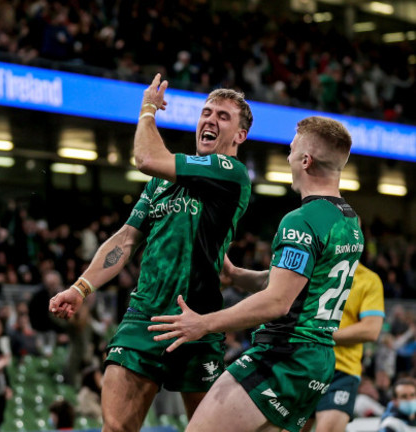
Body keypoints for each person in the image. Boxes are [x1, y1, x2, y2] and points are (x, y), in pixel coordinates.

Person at [50, 73, 254, 431]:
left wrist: (147, 110)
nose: (210, 120)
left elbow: (145, 155)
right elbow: (125, 241)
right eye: (206, 112)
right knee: (115, 428)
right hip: (143, 317)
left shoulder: (230, 172)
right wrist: (80, 287)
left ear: (240, 135)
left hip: (197, 322)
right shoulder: (163, 183)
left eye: (223, 116)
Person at [149, 116, 362, 432]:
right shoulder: (349, 221)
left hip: (283, 356)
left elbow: (277, 302)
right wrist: (235, 274)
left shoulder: (301, 220)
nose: (288, 157)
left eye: (291, 151)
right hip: (317, 363)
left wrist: (203, 323)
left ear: (306, 160)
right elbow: (293, 285)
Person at [309, 263, 384, 432]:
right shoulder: (311, 268)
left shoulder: (368, 279)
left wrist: (318, 337)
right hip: (303, 363)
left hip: (341, 371)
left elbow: (370, 330)